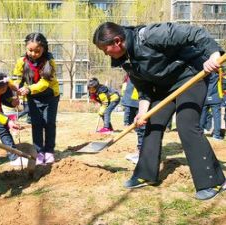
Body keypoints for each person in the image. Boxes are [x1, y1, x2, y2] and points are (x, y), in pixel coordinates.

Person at [93, 22, 226, 200]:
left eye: (105, 49)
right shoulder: (126, 58)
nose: (105, 53)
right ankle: (145, 174)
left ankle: (213, 181)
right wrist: (142, 111)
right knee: (152, 123)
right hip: (165, 87)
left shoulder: (149, 35)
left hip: (190, 76)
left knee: (186, 124)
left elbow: (195, 33)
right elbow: (143, 87)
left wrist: (214, 55)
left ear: (117, 41)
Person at [13, 32, 60, 165]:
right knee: (36, 124)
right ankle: (39, 152)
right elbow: (17, 77)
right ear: (26, 48)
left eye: (37, 51)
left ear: (44, 49)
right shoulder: (21, 62)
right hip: (33, 98)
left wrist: (29, 88)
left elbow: (45, 83)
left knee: (49, 123)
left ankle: (49, 151)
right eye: (30, 50)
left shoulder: (49, 61)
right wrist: (16, 86)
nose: (33, 54)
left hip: (50, 96)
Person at [121, 74, 145, 164]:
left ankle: (142, 153)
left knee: (142, 126)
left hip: (143, 96)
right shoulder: (132, 70)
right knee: (140, 127)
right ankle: (140, 150)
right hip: (136, 97)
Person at [200, 72, 223, 140]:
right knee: (217, 117)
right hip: (215, 98)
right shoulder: (218, 74)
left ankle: (201, 132)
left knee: (202, 116)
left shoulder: (203, 74)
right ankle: (216, 135)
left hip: (205, 97)